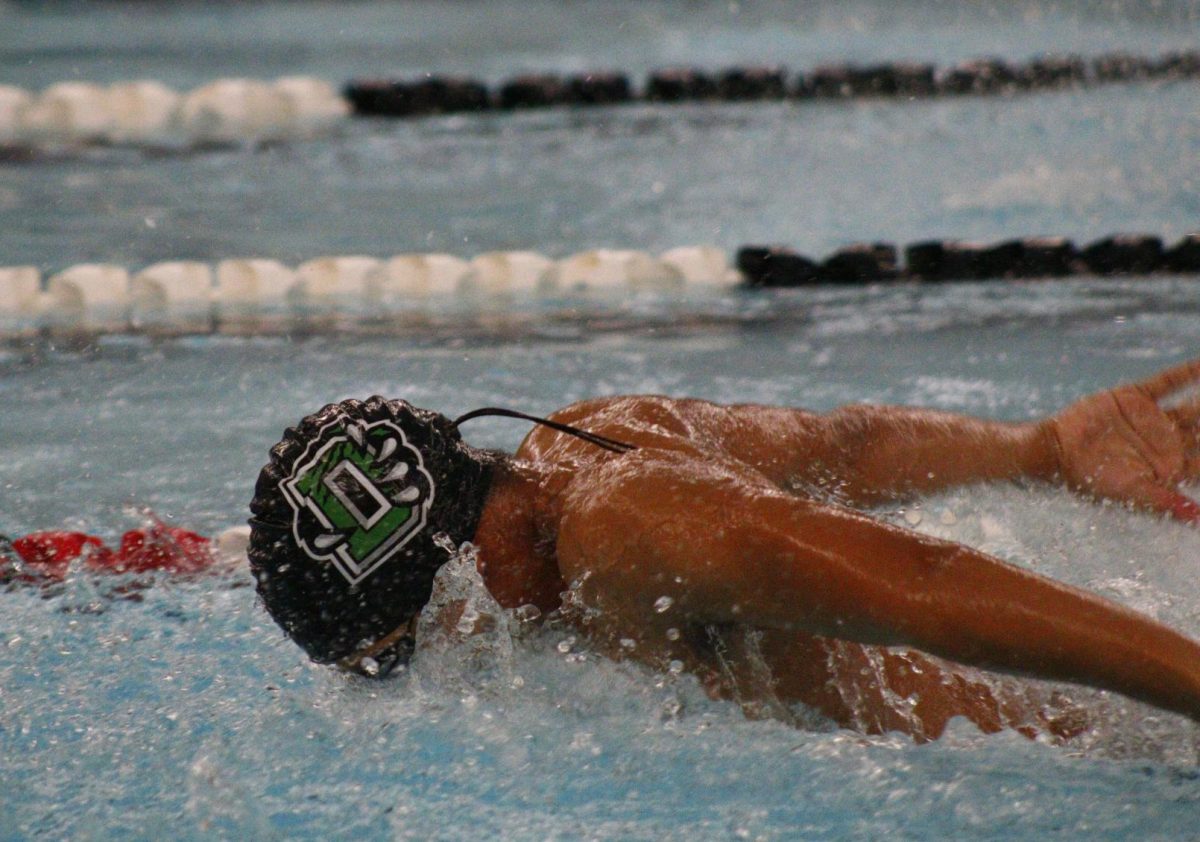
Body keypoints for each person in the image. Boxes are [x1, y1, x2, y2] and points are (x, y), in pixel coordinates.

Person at [248, 359, 1200, 741]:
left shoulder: (628, 533)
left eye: (402, 655)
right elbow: (843, 445)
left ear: (461, 571)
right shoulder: (592, 434)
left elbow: (927, 583)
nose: (433, 674)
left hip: (1086, 749)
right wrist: (1032, 451)